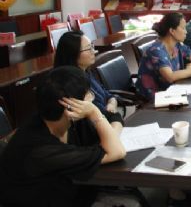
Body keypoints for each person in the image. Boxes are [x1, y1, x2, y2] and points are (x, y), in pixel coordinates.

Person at [0, 66, 126, 206]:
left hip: (76, 193)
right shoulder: (40, 148)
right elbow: (117, 151)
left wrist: (109, 134)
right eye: (88, 94)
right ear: (71, 106)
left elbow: (113, 116)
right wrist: (95, 113)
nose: (92, 97)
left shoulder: (64, 118)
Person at [54, 30, 123, 131]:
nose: (94, 51)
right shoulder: (71, 86)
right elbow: (100, 116)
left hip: (108, 124)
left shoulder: (86, 73)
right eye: (88, 48)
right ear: (73, 54)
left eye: (92, 46)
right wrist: (114, 116)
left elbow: (108, 95)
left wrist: (112, 103)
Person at [137, 12, 191, 99]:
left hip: (172, 91)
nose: (186, 32)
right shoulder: (156, 50)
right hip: (154, 98)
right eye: (183, 28)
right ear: (172, 31)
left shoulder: (178, 45)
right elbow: (170, 77)